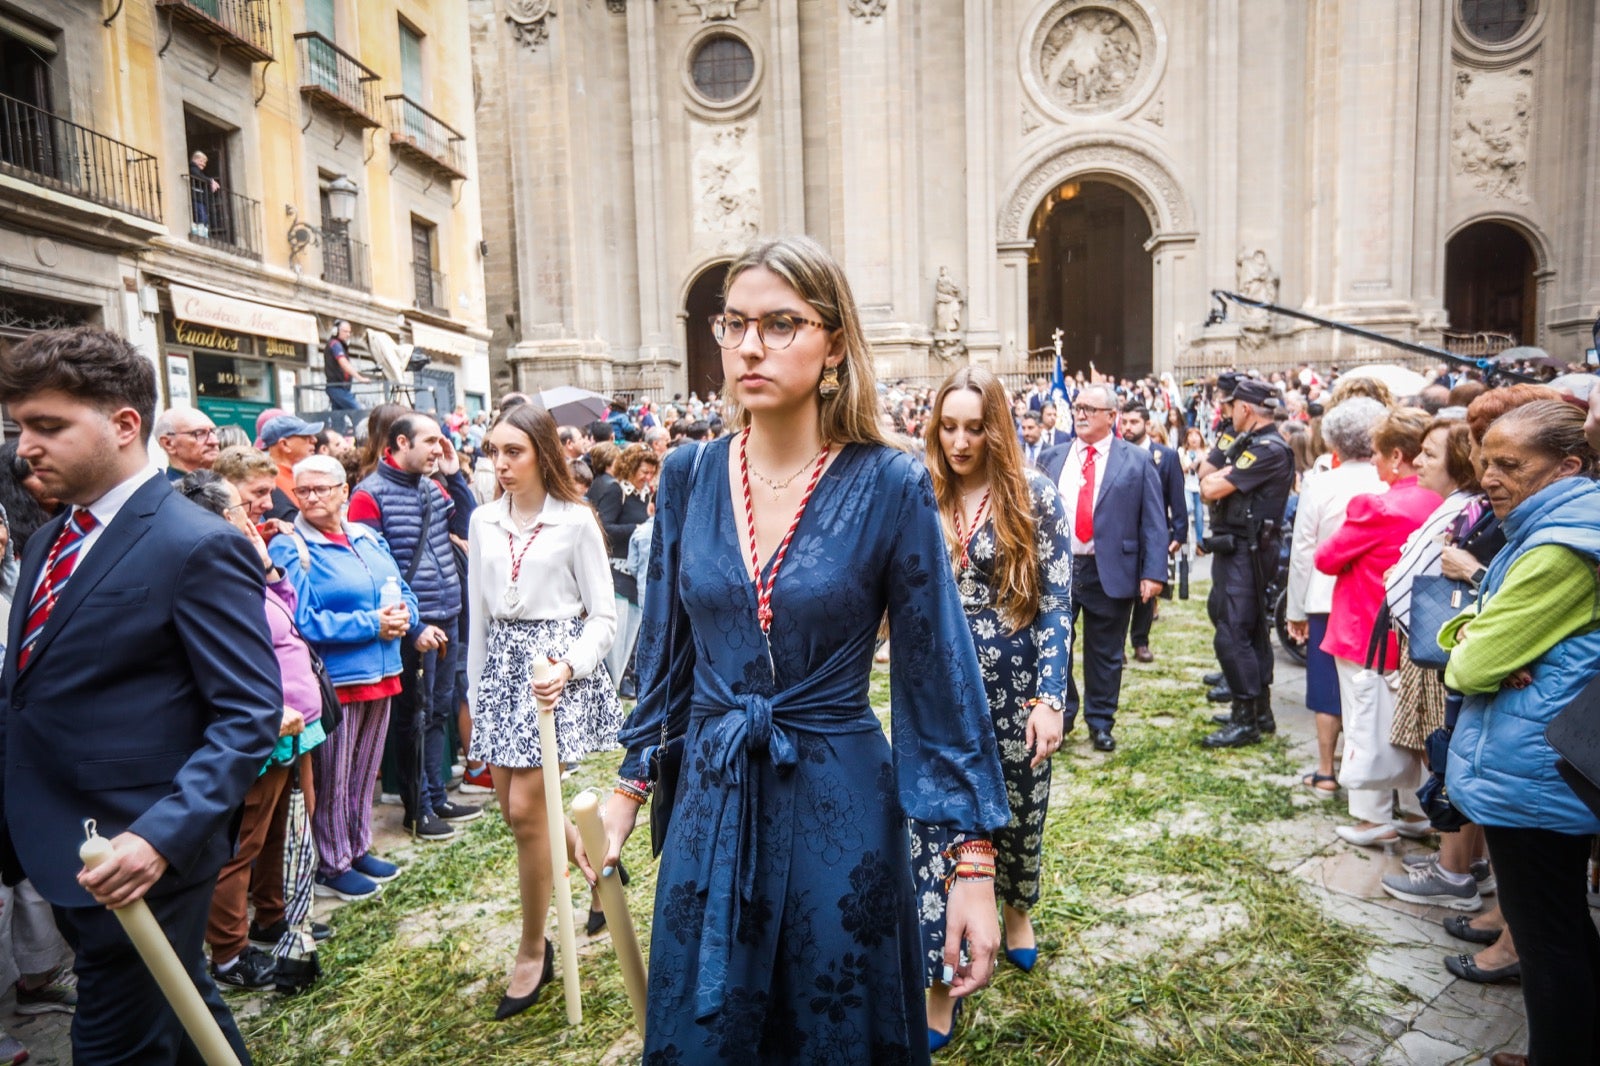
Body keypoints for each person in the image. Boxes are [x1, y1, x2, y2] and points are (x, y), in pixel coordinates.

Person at [595, 236, 1009, 1061]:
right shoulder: (686, 475)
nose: (750, 345)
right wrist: (632, 784)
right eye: (735, 323)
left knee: (833, 1029)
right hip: (713, 801)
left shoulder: (889, 484)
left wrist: (972, 863)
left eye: (781, 323)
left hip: (841, 803)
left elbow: (938, 677)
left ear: (833, 346)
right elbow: (669, 658)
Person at [0, 326, 281, 1063]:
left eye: (48, 426)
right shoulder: (47, 541)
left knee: (114, 1044)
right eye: (20, 427)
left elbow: (247, 714)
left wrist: (161, 834)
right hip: (61, 841)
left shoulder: (195, 542)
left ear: (126, 424)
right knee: (185, 1015)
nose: (23, 446)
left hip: (141, 852)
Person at [1440, 401, 1600, 1066]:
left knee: (1549, 935)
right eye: (1485, 464)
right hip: (1541, 762)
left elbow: (1468, 664)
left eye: (1511, 465)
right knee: (1557, 927)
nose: (1491, 479)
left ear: (1567, 466)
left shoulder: (1561, 546)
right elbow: (1479, 634)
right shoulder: (1558, 524)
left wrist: (1475, 643)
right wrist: (1481, 634)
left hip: (1535, 769)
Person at [918, 365, 1071, 1047]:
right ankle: (941, 974)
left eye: (974, 427)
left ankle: (1015, 908)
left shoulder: (1034, 496)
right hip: (938, 686)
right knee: (938, 825)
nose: (959, 440)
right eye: (948, 426)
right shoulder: (923, 494)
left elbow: (1058, 602)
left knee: (1016, 809)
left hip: (1013, 686)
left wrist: (1050, 697)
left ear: (998, 427)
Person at [465, 403, 621, 1018]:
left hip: (550, 672)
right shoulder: (481, 522)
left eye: (514, 452)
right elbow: (478, 614)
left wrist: (568, 665)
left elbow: (604, 617)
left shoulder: (576, 522)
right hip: (501, 671)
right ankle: (601, 872)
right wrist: (475, 694)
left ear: (542, 453)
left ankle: (534, 948)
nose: (501, 465)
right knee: (516, 812)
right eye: (493, 453)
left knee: (529, 809)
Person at [177, 471, 328, 990]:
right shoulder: (211, 570)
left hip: (294, 726)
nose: (257, 512)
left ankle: (272, 915)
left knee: (280, 832)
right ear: (225, 516)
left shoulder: (242, 561)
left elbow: (285, 608)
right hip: (262, 726)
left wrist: (263, 560)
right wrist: (269, 710)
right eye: (246, 505)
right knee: (242, 842)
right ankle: (230, 953)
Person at [269, 454, 420, 902]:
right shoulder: (292, 546)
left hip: (385, 669)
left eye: (321, 488)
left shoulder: (367, 536)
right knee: (333, 775)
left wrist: (406, 617)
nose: (311, 498)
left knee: (364, 770)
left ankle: (357, 846)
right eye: (303, 491)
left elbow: (402, 589)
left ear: (343, 491)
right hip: (337, 679)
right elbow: (302, 617)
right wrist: (371, 624)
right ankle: (332, 863)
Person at [1376, 418, 1493, 908]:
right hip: (1431, 647)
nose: (1417, 461)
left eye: (1429, 453)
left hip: (1438, 652)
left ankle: (1453, 872)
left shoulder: (1464, 510)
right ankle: (1468, 861)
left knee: (1445, 758)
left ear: (1458, 461)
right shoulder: (1459, 507)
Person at [1313, 407, 1439, 843]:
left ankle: (1373, 817)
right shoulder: (1442, 501)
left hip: (1366, 627)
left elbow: (1326, 558)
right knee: (1414, 720)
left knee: (1366, 717)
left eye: (1379, 455)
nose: (1375, 464)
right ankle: (1417, 810)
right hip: (1420, 631)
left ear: (1398, 456)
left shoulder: (1379, 506)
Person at [348, 413, 471, 840]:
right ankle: (416, 809)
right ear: (402, 442)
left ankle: (436, 796)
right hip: (412, 624)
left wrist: (455, 477)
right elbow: (372, 572)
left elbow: (464, 526)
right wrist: (414, 624)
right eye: (432, 441)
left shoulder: (434, 486)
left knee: (438, 709)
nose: (440, 449)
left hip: (448, 610)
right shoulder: (368, 496)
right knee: (413, 715)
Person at [1037, 383, 1167, 752]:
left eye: (1090, 409)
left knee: (1106, 652)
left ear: (1112, 416)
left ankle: (1101, 721)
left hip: (1110, 568)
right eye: (1078, 407)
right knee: (1054, 646)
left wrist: (1153, 572)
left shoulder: (1136, 460)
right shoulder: (1052, 456)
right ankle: (1061, 717)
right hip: (1059, 568)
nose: (1080, 414)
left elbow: (1153, 521)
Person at [1199, 378, 1296, 748]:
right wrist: (1224, 477)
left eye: (1234, 405)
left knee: (1234, 632)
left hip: (1249, 550)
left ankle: (1246, 719)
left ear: (1246, 409)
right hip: (1239, 547)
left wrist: (1223, 478)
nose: (1229, 411)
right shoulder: (1255, 444)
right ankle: (1259, 711)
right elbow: (1211, 478)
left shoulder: (1267, 449)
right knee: (1248, 630)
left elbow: (1210, 486)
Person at [1121, 404, 1186, 664]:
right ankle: (1118, 646)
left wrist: (1179, 534)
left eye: (1133, 422)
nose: (1127, 427)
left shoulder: (1166, 456)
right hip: (1123, 533)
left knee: (1148, 591)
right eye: (1124, 421)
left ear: (1147, 424)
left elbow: (1176, 496)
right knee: (1122, 591)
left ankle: (1140, 641)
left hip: (1154, 534)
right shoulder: (1117, 453)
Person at [603, 445, 658, 699]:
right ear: (631, 467)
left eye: (651, 473)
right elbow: (605, 526)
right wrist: (637, 528)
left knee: (631, 633)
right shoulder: (618, 492)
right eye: (643, 472)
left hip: (635, 572)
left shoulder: (645, 496)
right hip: (617, 570)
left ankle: (625, 675)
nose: (647, 477)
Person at [260, 414, 324, 521]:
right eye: (305, 436)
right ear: (284, 444)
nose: (314, 440)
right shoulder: (269, 481)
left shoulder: (299, 474)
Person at [153, 407, 220, 480]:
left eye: (214, 431)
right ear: (168, 444)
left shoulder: (227, 486)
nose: (214, 441)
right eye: (199, 433)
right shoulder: (166, 490)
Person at [322, 320, 368, 414]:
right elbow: (344, 363)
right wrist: (360, 378)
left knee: (338, 418)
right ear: (336, 331)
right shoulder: (335, 345)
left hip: (340, 388)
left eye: (349, 332)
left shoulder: (339, 345)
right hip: (337, 388)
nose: (348, 334)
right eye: (345, 331)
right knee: (359, 412)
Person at [1179, 426, 1207, 546]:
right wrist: (1191, 465)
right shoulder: (1182, 452)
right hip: (1187, 486)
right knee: (1188, 508)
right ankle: (1183, 534)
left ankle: (1199, 543)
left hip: (1199, 487)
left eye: (1196, 436)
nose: (1194, 439)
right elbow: (1180, 469)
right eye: (1191, 436)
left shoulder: (1205, 453)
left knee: (1199, 515)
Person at [187, 150, 218, 238]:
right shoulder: (193, 168)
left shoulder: (197, 170)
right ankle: (200, 234)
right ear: (195, 159)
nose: (204, 164)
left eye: (204, 162)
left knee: (204, 218)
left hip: (200, 198)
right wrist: (211, 181)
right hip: (197, 197)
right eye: (202, 161)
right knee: (201, 217)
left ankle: (203, 233)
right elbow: (198, 176)